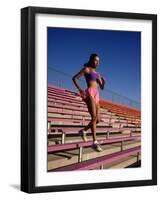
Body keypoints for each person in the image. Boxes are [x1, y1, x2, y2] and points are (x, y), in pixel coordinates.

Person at [72, 53, 106, 152]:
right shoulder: (86, 69)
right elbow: (75, 78)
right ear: (91, 60)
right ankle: (95, 142)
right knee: (94, 117)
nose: (97, 62)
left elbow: (102, 88)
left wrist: (103, 82)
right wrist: (80, 90)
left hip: (97, 94)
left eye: (98, 61)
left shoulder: (98, 74)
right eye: (96, 60)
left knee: (98, 119)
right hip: (90, 92)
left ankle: (83, 130)